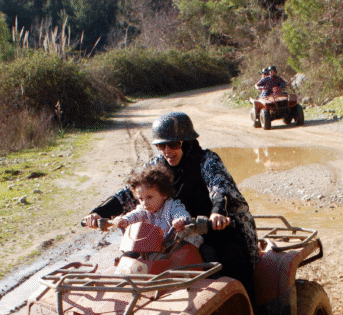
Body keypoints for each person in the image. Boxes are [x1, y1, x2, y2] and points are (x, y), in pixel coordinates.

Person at [83, 112, 258, 301]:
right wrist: (98, 213)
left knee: (231, 262)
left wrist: (217, 213)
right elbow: (128, 193)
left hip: (212, 229)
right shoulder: (157, 164)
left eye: (174, 144)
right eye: (161, 145)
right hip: (171, 236)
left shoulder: (206, 160)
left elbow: (220, 189)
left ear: (187, 141)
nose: (167, 151)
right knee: (133, 260)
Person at [109, 163, 202, 248]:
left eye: (149, 197)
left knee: (205, 253)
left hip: (180, 246)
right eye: (141, 199)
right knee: (130, 255)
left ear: (164, 194)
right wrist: (124, 220)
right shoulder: (144, 210)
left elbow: (180, 213)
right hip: (157, 251)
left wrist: (180, 220)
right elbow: (135, 214)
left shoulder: (172, 206)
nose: (144, 203)